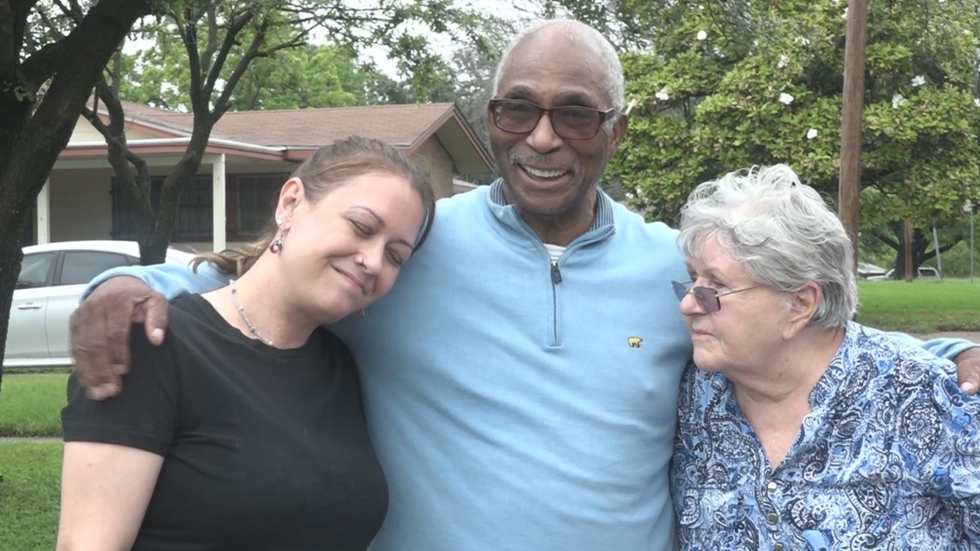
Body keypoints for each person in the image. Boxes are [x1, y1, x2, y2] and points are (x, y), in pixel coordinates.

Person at [66, 20, 980, 551]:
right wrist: (122, 281)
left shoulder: (676, 267)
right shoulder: (412, 246)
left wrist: (954, 352)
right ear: (492, 119)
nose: (543, 137)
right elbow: (264, 282)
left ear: (614, 132)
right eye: (517, 109)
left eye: (574, 113)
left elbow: (803, 325)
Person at [56, 136, 435, 551]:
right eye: (362, 227)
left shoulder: (341, 367)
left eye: (396, 256)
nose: (374, 261)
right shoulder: (154, 342)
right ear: (290, 204)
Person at [670, 165, 980, 550]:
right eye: (691, 279)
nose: (688, 303)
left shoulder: (926, 398)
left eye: (715, 286)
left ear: (799, 305)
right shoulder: (694, 394)